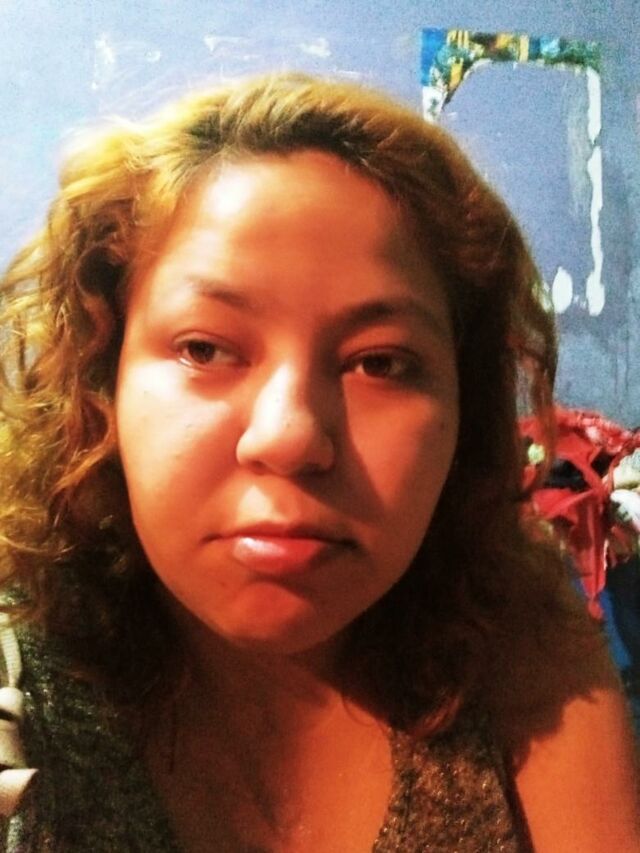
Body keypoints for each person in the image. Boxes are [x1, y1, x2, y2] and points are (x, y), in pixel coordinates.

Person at [0, 72, 637, 852]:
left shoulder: (521, 643)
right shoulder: (23, 661)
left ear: (463, 410)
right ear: (102, 387)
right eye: (205, 348)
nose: (291, 437)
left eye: (381, 363)